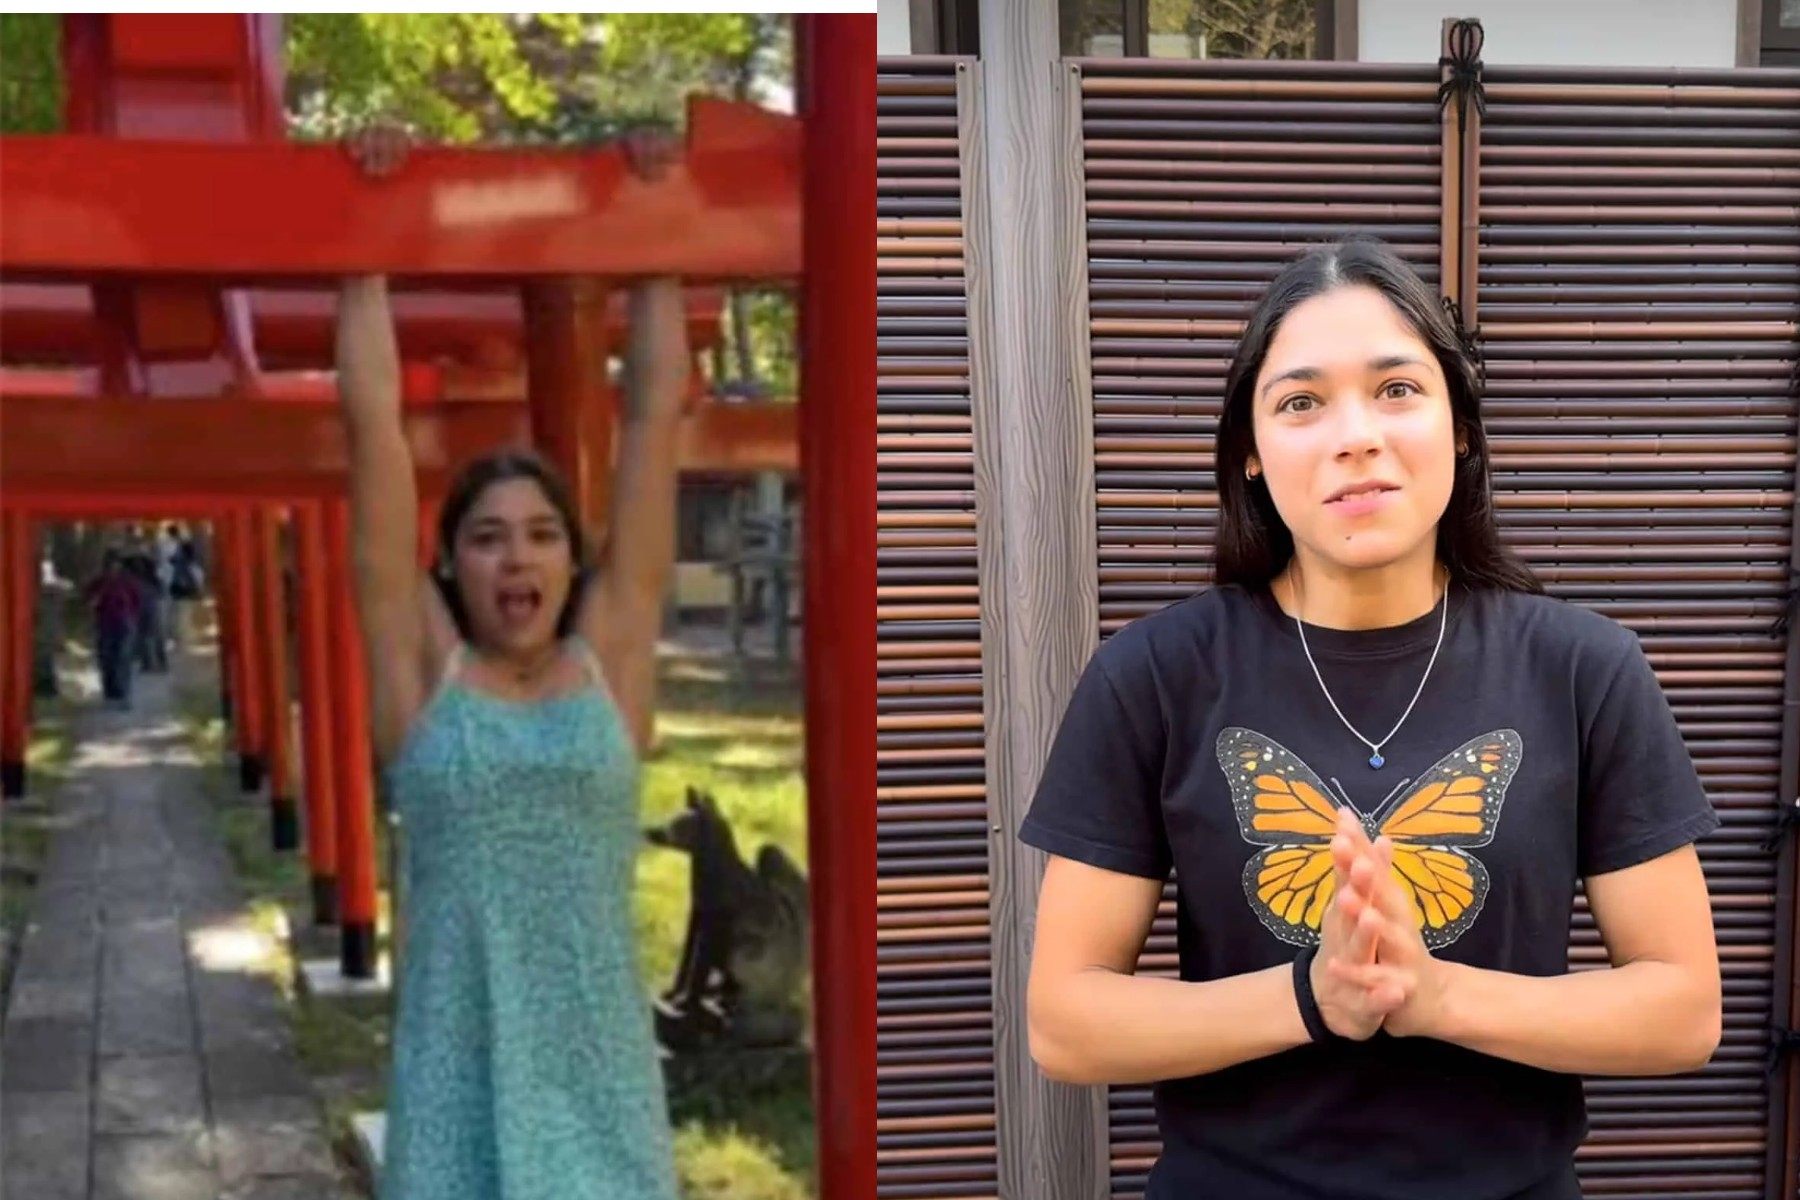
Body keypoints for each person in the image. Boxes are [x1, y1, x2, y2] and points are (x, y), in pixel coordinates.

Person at [1020, 236, 1722, 1200]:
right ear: (1253, 457)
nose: (1356, 434)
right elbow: (1064, 1021)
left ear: (1462, 428)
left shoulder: (1584, 669)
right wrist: (1313, 997)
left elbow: (1683, 1012)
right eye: (1301, 402)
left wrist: (1432, 996)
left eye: (1397, 388)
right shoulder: (1153, 676)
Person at [335, 123, 689, 1200]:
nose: (516, 556)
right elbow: (374, 436)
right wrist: (363, 231)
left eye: (540, 532)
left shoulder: (611, 661)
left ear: (571, 557)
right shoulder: (419, 679)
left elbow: (654, 421)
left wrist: (659, 222)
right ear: (450, 564)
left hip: (602, 1076)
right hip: (454, 1081)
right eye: (487, 536)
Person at [86, 549, 143, 708]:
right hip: (105, 624)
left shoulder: (128, 581)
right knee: (107, 660)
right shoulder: (99, 582)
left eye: (116, 563)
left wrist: (134, 619)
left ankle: (124, 694)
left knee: (123, 659)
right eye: (111, 563)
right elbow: (89, 599)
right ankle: (111, 693)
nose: (113, 567)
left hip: (124, 623)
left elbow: (137, 601)